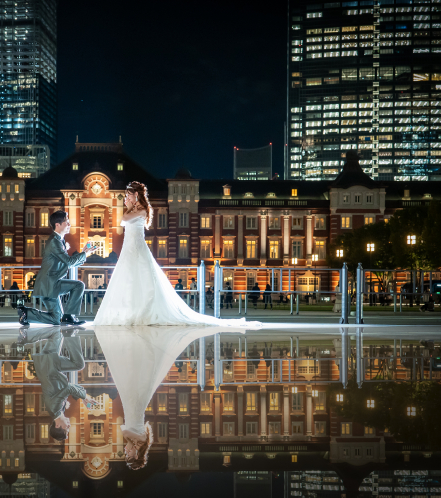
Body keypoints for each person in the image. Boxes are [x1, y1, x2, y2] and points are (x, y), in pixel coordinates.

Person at [94, 181, 259, 327]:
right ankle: (129, 312)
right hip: (128, 248)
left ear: (136, 194)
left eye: (128, 195)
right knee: (129, 280)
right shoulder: (135, 208)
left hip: (136, 248)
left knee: (142, 279)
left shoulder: (142, 208)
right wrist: (128, 205)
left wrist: (128, 206)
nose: (126, 198)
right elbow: (124, 220)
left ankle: (142, 312)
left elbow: (123, 218)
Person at [95, 325, 246, 470]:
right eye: (129, 456)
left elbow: (125, 430)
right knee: (133, 371)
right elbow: (124, 430)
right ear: (137, 453)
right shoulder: (139, 439)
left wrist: (128, 439)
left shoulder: (139, 440)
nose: (126, 453)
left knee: (131, 371)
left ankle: (136, 343)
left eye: (126, 456)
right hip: (134, 401)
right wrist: (127, 439)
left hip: (132, 402)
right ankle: (139, 342)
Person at [17, 210, 94, 326]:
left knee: (57, 319)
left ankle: (27, 313)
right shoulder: (54, 241)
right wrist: (84, 254)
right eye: (66, 222)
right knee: (78, 286)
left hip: (53, 283)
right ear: (57, 225)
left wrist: (83, 253)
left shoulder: (59, 240)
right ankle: (68, 316)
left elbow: (69, 262)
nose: (69, 225)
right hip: (48, 284)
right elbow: (69, 262)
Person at [22, 326, 87, 444]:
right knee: (57, 333)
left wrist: (84, 396)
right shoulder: (59, 410)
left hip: (49, 367)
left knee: (78, 364)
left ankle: (27, 336)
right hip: (50, 367)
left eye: (66, 428)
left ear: (57, 425)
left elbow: (69, 388)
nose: (69, 425)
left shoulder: (54, 408)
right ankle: (68, 332)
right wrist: (83, 397)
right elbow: (68, 386)